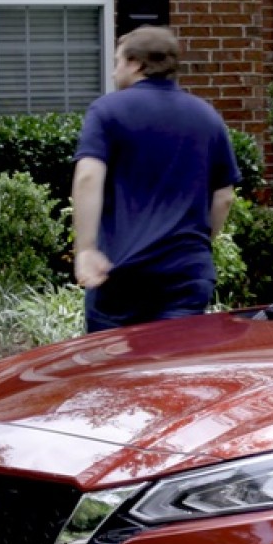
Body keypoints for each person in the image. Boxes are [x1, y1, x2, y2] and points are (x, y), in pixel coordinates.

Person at [72, 26, 239, 332]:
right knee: (173, 371)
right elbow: (224, 196)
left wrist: (86, 249)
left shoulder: (107, 111)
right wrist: (199, 243)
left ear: (136, 63)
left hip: (121, 272)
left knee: (111, 371)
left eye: (117, 62)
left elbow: (87, 177)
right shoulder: (207, 116)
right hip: (186, 274)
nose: (113, 72)